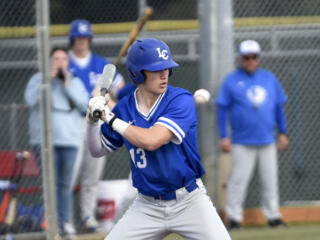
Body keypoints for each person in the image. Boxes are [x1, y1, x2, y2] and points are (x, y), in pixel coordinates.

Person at [86, 38, 231, 240]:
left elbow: (151, 140)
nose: (164, 74)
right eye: (156, 70)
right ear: (137, 73)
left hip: (189, 201)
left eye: (167, 68)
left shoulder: (181, 99)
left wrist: (108, 118)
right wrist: (92, 122)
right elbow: (97, 150)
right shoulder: (126, 107)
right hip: (146, 205)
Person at [215, 40, 289, 230]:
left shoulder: (269, 78)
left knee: (270, 181)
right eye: (246, 57)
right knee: (237, 181)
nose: (250, 61)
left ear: (258, 58)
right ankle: (233, 218)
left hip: (267, 139)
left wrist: (282, 132)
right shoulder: (231, 80)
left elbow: (278, 107)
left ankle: (273, 216)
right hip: (241, 141)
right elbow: (222, 110)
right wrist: (224, 136)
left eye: (254, 57)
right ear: (240, 58)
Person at [67, 19, 125, 233]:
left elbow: (119, 89)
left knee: (92, 175)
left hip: (97, 125)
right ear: (72, 39)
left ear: (89, 39)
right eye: (78, 38)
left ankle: (87, 216)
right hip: (72, 125)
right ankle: (64, 219)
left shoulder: (101, 64)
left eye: (85, 37)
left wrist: (107, 97)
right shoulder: (66, 63)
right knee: (70, 176)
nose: (82, 41)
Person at [24, 47, 89, 236]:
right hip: (44, 141)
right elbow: (30, 100)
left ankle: (65, 222)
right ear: (49, 61)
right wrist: (47, 82)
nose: (60, 62)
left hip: (69, 140)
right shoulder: (38, 80)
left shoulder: (74, 81)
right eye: (56, 59)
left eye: (63, 59)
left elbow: (85, 105)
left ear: (68, 63)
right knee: (49, 183)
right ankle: (51, 223)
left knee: (65, 184)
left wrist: (67, 85)